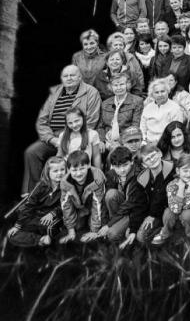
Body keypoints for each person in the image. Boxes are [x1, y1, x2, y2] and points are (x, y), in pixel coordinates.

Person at [23, 65, 101, 195]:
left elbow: (92, 120)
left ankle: (62, 191)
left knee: (69, 157)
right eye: (66, 76)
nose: (69, 78)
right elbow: (42, 121)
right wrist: (52, 139)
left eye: (72, 75)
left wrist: (72, 136)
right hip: (54, 136)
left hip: (77, 134)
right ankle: (35, 193)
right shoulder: (55, 93)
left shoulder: (91, 92)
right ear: (61, 78)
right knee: (32, 152)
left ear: (80, 77)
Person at [7, 157, 65, 247]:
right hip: (36, 217)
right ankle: (40, 239)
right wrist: (17, 226)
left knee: (53, 228)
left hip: (53, 218)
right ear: (48, 173)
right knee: (12, 235)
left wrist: (52, 213)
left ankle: (48, 238)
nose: (60, 173)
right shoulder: (41, 186)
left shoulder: (67, 186)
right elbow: (29, 205)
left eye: (62, 170)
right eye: (55, 171)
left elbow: (66, 204)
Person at [150, 154, 190, 244]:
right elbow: (175, 209)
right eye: (185, 171)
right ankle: (166, 233)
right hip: (176, 213)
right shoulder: (171, 185)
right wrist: (180, 189)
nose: (188, 174)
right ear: (178, 171)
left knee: (186, 214)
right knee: (168, 213)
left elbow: (187, 206)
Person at [58, 151, 107, 244]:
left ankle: (96, 223)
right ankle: (84, 217)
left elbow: (98, 204)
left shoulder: (97, 179)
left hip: (98, 207)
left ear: (88, 165)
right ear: (68, 169)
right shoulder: (65, 183)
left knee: (96, 226)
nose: (78, 173)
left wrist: (94, 230)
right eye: (74, 170)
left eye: (82, 168)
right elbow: (66, 206)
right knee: (77, 227)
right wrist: (71, 231)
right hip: (82, 208)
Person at [102, 147, 148, 245]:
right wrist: (105, 223)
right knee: (110, 194)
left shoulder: (138, 175)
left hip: (136, 210)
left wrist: (109, 225)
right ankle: (118, 225)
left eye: (125, 165)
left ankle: (120, 228)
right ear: (112, 166)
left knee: (112, 234)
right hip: (122, 209)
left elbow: (130, 204)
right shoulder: (111, 175)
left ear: (131, 162)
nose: (122, 170)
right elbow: (104, 201)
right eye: (117, 166)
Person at [96, 73, 143, 151]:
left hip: (127, 140)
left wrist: (120, 142)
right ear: (111, 87)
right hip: (107, 140)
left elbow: (135, 127)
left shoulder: (137, 101)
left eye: (122, 84)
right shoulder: (105, 103)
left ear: (127, 85)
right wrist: (101, 140)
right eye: (115, 85)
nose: (119, 88)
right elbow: (100, 126)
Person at [139, 78, 186, 144]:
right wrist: (144, 140)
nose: (160, 95)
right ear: (152, 94)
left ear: (168, 91)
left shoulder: (175, 108)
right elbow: (142, 128)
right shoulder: (148, 108)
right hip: (148, 142)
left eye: (162, 91)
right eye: (157, 92)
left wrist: (161, 142)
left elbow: (177, 130)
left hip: (167, 142)